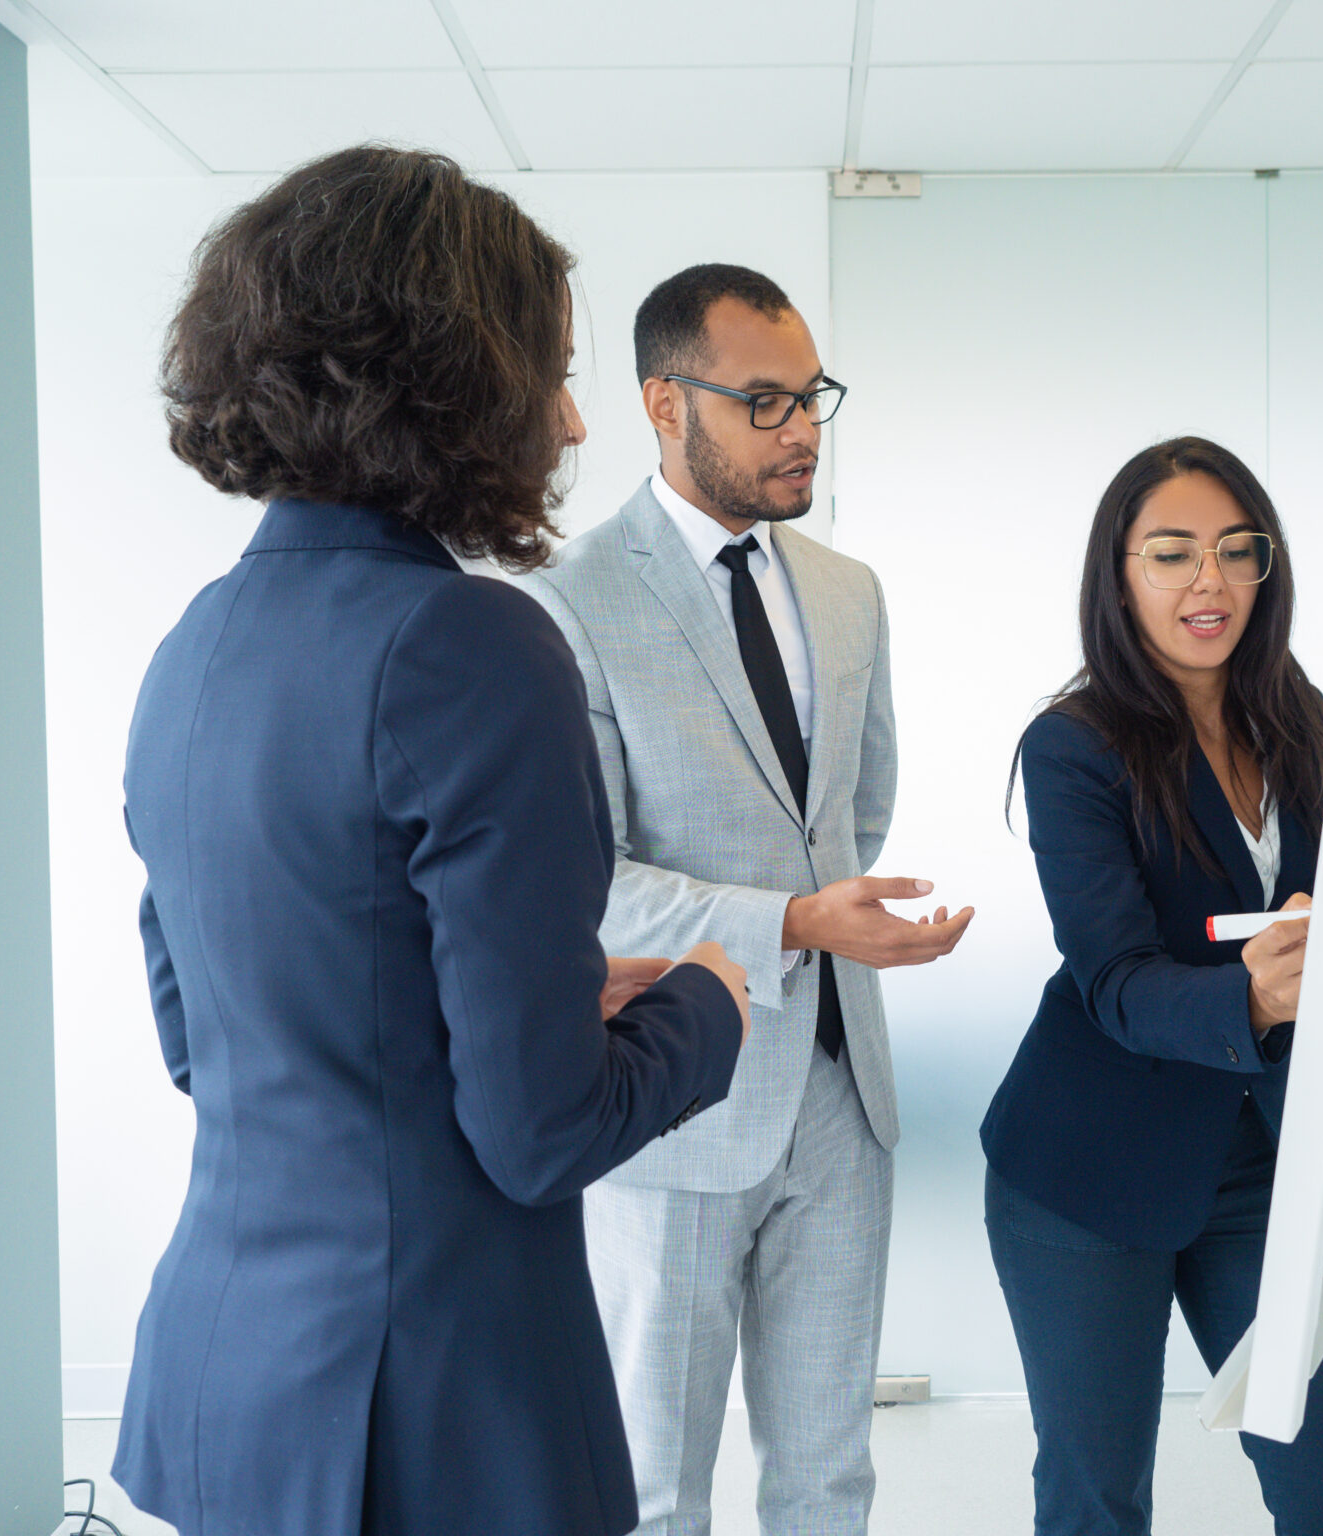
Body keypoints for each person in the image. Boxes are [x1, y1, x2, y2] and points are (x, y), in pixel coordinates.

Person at [112, 146, 751, 1536]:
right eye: (552, 370)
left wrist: (543, 1003)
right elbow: (538, 1135)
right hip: (432, 1415)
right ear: (451, 377)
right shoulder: (467, 644)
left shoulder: (193, 651)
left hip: (227, 1384)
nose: (575, 421)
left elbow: (210, 1038)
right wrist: (711, 1003)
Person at [524, 263, 973, 1536]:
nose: (801, 430)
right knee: (655, 1484)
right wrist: (790, 923)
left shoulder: (845, 591)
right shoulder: (566, 600)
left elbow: (849, 813)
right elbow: (581, 884)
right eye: (763, 403)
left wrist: (833, 920)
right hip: (671, 1098)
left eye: (811, 397)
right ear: (665, 404)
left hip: (841, 1087)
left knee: (829, 1471)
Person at [980, 437, 1323, 1535]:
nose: (1206, 582)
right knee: (1096, 1500)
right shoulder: (1070, 747)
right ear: (1119, 576)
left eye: (1233, 551)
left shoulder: (1293, 715)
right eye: (1170, 554)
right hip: (1086, 1172)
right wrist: (1252, 998)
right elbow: (1113, 978)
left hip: (1262, 1165)